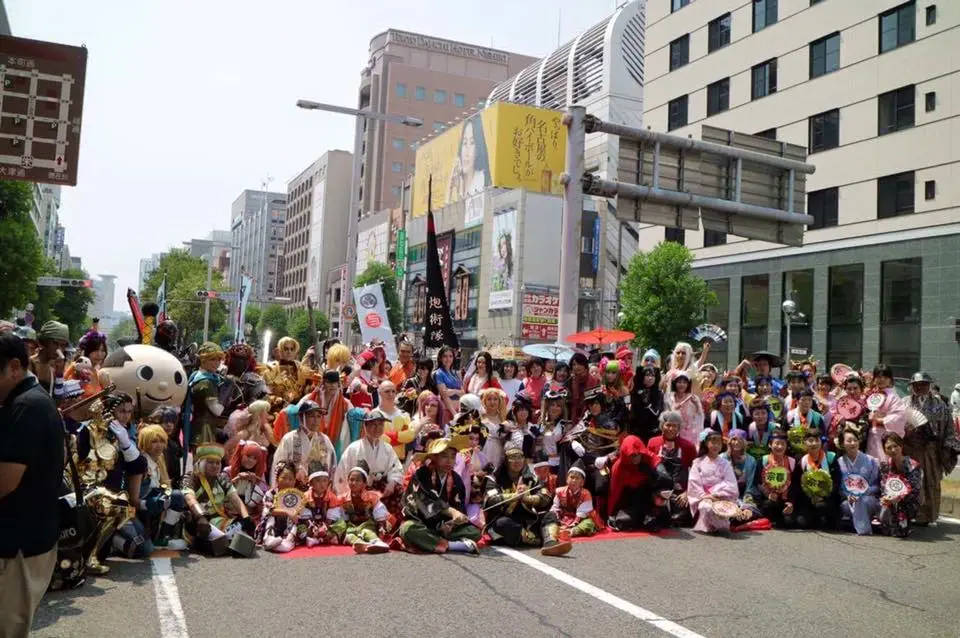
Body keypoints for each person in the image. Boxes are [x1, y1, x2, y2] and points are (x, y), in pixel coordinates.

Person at [0, 333, 63, 636]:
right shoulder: (24, 401)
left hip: (18, 547)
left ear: (13, 367)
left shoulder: (28, 407)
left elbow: (5, 482)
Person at [483, 442, 572, 556]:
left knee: (550, 516)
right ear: (506, 461)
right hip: (503, 519)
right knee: (503, 524)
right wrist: (514, 496)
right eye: (512, 458)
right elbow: (491, 499)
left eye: (520, 458)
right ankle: (538, 540)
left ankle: (550, 543)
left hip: (526, 519)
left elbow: (545, 496)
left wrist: (528, 498)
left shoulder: (531, 478)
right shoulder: (493, 478)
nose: (517, 461)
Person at [399, 437, 481, 554]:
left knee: (474, 532)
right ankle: (454, 545)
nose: (449, 461)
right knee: (408, 529)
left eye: (453, 456)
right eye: (444, 456)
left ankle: (434, 541)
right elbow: (426, 502)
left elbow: (459, 506)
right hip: (421, 522)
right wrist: (451, 513)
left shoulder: (456, 479)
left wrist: (453, 523)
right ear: (434, 457)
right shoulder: (422, 474)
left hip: (445, 526)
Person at [903, 372, 959, 525]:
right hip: (910, 449)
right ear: (911, 387)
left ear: (929, 386)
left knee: (930, 482)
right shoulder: (904, 403)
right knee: (909, 481)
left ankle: (926, 515)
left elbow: (949, 430)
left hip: (931, 450)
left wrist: (948, 449)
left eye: (923, 384)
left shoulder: (940, 405)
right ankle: (906, 512)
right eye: (916, 385)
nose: (920, 387)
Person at [181, 444, 255, 555]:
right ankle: (204, 543)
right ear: (201, 463)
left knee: (243, 528)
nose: (215, 466)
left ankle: (228, 542)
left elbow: (236, 500)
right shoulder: (191, 477)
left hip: (219, 520)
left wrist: (246, 518)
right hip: (198, 522)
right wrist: (201, 517)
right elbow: (190, 498)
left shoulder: (222, 479)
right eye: (210, 462)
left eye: (217, 463)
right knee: (213, 536)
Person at [335, 410, 404, 515]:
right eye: (373, 425)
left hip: (382, 492)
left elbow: (396, 469)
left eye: (380, 425)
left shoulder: (387, 448)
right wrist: (346, 497)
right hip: (358, 493)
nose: (377, 428)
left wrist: (392, 482)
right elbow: (342, 475)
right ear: (365, 426)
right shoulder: (353, 448)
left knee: (398, 488)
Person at [607, 435, 673, 531]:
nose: (637, 458)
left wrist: (658, 471)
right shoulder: (618, 468)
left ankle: (651, 515)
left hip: (651, 495)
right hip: (632, 498)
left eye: (639, 454)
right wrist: (610, 514)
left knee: (665, 479)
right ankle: (646, 519)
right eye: (633, 455)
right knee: (624, 522)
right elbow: (614, 493)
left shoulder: (647, 456)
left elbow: (660, 469)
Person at [271, 400, 337, 486]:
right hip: (293, 489)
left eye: (319, 416)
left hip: (318, 491)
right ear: (302, 418)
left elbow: (332, 467)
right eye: (312, 416)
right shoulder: (289, 438)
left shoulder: (325, 440)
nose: (316, 420)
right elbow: (278, 466)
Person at [687, 430, 741, 534]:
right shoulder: (698, 462)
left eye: (718, 443)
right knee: (705, 507)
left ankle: (721, 526)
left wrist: (716, 494)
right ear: (706, 443)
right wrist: (704, 495)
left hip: (721, 496)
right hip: (704, 496)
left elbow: (731, 483)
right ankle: (712, 526)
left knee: (721, 509)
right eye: (713, 442)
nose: (716, 445)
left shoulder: (725, 463)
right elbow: (694, 482)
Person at [336, 460, 391, 554]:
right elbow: (341, 516)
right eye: (351, 479)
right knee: (349, 535)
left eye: (358, 480)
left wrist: (381, 526)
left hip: (367, 524)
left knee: (367, 531)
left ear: (364, 483)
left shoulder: (371, 497)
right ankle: (360, 544)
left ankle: (377, 542)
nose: (353, 483)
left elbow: (379, 512)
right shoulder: (343, 499)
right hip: (351, 526)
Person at [793, 429, 840, 530]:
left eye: (817, 440)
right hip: (808, 500)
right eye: (810, 440)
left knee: (825, 514)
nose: (814, 443)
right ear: (805, 442)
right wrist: (810, 497)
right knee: (801, 522)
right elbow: (797, 484)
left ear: (821, 442)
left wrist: (824, 497)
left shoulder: (830, 458)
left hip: (828, 499)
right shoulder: (802, 461)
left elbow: (837, 482)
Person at [837, 428, 880, 535]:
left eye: (855, 440)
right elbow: (839, 486)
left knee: (863, 501)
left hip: (868, 498)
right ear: (842, 444)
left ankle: (861, 527)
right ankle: (862, 524)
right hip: (849, 500)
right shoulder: (839, 462)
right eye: (849, 440)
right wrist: (847, 495)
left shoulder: (871, 461)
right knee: (845, 505)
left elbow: (876, 484)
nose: (853, 443)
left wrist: (863, 492)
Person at [878, 432, 923, 538]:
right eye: (889, 447)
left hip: (908, 501)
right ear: (885, 450)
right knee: (880, 508)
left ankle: (903, 523)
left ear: (901, 446)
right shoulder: (884, 465)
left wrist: (898, 499)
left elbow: (915, 490)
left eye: (895, 446)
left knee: (900, 532)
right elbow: (883, 485)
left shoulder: (913, 465)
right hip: (890, 499)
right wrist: (886, 497)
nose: (893, 450)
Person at [551, 461, 602, 537]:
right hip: (564, 517)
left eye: (577, 478)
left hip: (581, 518)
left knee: (589, 523)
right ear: (567, 479)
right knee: (548, 516)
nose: (574, 480)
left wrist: (570, 525)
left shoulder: (585, 493)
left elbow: (582, 514)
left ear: (582, 482)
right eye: (571, 477)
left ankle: (571, 532)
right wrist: (556, 517)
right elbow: (555, 507)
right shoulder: (560, 491)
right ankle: (554, 531)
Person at [866, 364, 906, 461]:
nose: (881, 380)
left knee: (884, 461)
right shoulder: (870, 394)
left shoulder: (893, 396)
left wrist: (879, 420)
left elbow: (899, 416)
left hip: (885, 435)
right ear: (874, 379)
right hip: (871, 434)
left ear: (890, 379)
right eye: (878, 377)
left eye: (885, 377)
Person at [375, 381, 415, 465]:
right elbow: (377, 439)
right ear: (380, 393)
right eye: (387, 391)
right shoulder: (373, 415)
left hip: (398, 462)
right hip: (378, 461)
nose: (391, 394)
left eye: (393, 391)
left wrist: (388, 436)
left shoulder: (404, 415)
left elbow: (410, 436)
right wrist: (400, 437)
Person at [665, 372, 703, 445]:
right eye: (679, 382)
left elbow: (700, 416)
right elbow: (665, 417)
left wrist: (696, 405)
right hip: (672, 433)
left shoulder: (694, 398)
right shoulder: (669, 398)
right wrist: (673, 410)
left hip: (690, 434)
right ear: (674, 383)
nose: (682, 385)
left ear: (688, 384)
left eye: (685, 382)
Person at [628, 365, 663, 441]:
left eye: (653, 376)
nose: (650, 378)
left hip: (652, 432)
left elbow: (657, 413)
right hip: (636, 431)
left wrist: (646, 403)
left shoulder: (659, 393)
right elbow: (633, 412)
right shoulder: (635, 392)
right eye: (647, 375)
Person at [432, 346, 462, 426]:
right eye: (445, 356)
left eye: (450, 356)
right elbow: (444, 395)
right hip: (447, 410)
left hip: (459, 409)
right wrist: (454, 413)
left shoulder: (456, 373)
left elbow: (463, 392)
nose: (448, 359)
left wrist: (453, 391)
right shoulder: (439, 373)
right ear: (440, 358)